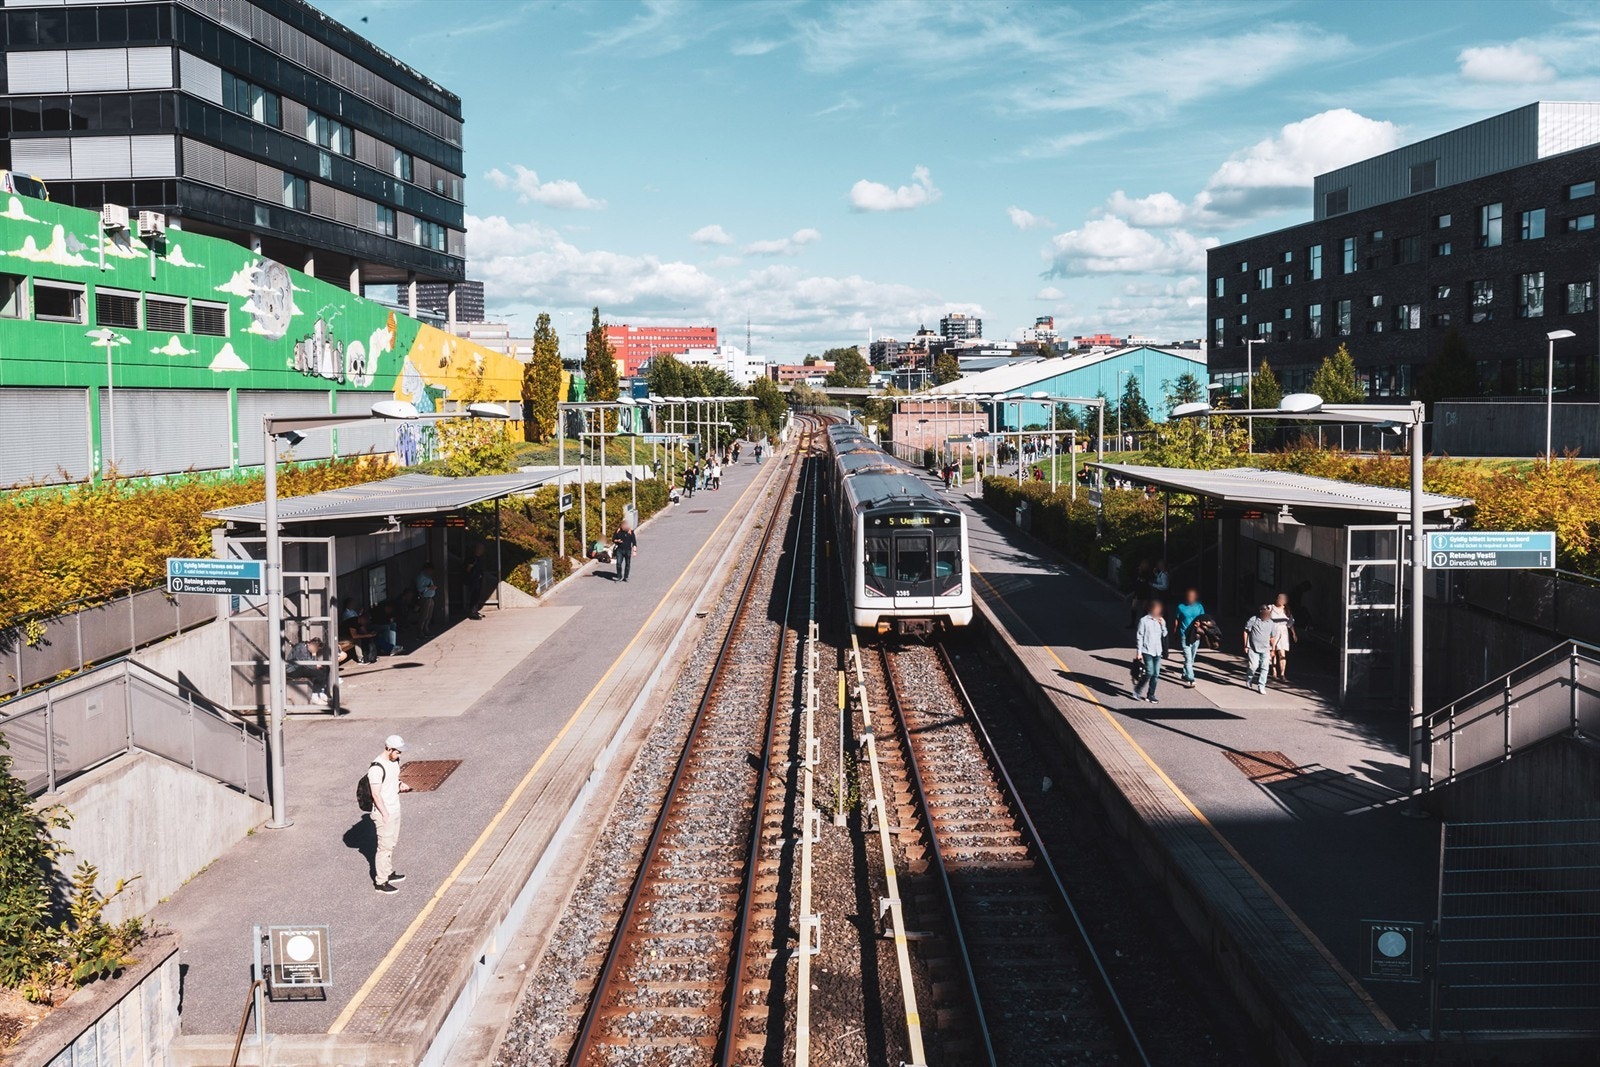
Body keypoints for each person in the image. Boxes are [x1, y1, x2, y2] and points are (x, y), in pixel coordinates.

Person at [368, 734, 413, 894]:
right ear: (388, 748)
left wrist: (400, 784)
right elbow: (375, 794)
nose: (399, 755)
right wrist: (385, 813)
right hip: (384, 813)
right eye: (397, 752)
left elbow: (392, 781)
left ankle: (388, 872)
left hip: (395, 808)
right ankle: (381, 882)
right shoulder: (376, 768)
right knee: (384, 847)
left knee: (391, 843)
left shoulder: (394, 762)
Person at [1172, 588, 1206, 688]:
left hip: (1195, 635)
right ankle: (1191, 679)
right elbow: (1177, 619)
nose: (1190, 598)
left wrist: (1200, 624)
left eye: (1192, 596)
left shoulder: (1199, 606)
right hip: (1184, 635)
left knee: (1192, 658)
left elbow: (1203, 619)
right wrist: (1175, 631)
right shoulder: (1181, 607)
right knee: (1188, 658)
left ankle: (1185, 673)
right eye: (1189, 596)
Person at [1134, 600, 1165, 703]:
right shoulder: (1143, 621)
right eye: (1156, 609)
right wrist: (1139, 652)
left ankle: (1150, 695)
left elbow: (1164, 635)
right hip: (1147, 650)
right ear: (1151, 609)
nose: (1158, 611)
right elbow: (1140, 636)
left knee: (1156, 674)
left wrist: (1163, 625)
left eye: (1159, 609)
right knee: (1149, 672)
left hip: (1158, 651)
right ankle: (1138, 688)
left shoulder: (1161, 620)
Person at [1243, 604, 1277, 693]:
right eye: (1264, 613)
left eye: (1268, 613)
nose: (1266, 615)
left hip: (1266, 649)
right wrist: (1246, 645)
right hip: (1253, 648)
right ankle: (1249, 678)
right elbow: (1246, 631)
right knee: (1253, 666)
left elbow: (1272, 637)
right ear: (1261, 613)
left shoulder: (1271, 623)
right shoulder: (1254, 619)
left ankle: (1261, 686)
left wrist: (1273, 649)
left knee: (1265, 668)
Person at [287, 636, 331, 705]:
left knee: (326, 668)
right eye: (314, 647)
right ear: (309, 643)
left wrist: (314, 657)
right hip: (293, 669)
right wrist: (314, 657)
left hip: (301, 667)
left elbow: (312, 663)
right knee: (317, 672)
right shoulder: (300, 648)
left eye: (316, 649)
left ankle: (321, 692)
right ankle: (315, 695)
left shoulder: (308, 648)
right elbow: (308, 665)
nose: (314, 649)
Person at [1269, 592, 1297, 681]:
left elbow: (1290, 623)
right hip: (1272, 632)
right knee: (1273, 652)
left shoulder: (1287, 610)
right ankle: (1274, 672)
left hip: (1283, 633)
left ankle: (1282, 673)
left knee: (1282, 653)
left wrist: (1294, 634)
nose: (1281, 600)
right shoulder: (1271, 608)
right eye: (1279, 598)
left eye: (1283, 599)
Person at [464, 544, 488, 619]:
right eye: (480, 549)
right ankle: (472, 612)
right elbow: (468, 569)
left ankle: (474, 610)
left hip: (478, 579)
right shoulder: (472, 558)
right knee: (473, 596)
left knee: (477, 596)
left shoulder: (480, 558)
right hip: (473, 579)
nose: (482, 551)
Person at [1127, 559, 1152, 628]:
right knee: (1134, 606)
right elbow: (1133, 579)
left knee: (1144, 607)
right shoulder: (1137, 571)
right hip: (1138, 591)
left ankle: (1143, 624)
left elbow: (1148, 581)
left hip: (1145, 591)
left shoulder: (1148, 573)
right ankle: (1133, 623)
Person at [416, 565, 437, 636]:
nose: (431, 572)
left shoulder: (428, 577)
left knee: (429, 615)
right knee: (424, 615)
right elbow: (420, 589)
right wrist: (429, 588)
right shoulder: (421, 577)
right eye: (430, 571)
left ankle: (426, 629)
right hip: (425, 598)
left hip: (430, 597)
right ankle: (420, 631)